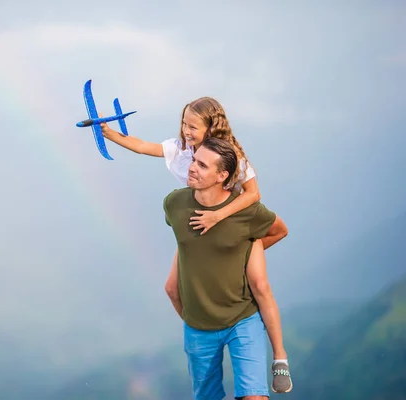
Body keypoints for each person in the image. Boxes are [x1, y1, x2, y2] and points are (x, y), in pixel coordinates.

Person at [99, 97, 292, 394]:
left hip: (232, 221)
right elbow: (143, 146)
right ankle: (200, 331)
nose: (186, 130)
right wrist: (109, 133)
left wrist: (219, 217)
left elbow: (253, 194)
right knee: (171, 288)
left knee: (258, 283)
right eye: (184, 123)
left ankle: (280, 357)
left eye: (193, 126)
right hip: (194, 229)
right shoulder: (180, 154)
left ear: (211, 128)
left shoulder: (233, 157)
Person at [163, 137, 288, 399]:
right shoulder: (174, 204)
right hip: (198, 327)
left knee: (255, 396)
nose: (192, 168)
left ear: (222, 175)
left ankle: (281, 359)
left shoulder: (248, 212)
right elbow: (184, 243)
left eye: (203, 165)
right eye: (194, 161)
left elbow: (279, 230)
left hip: (242, 318)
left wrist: (247, 249)